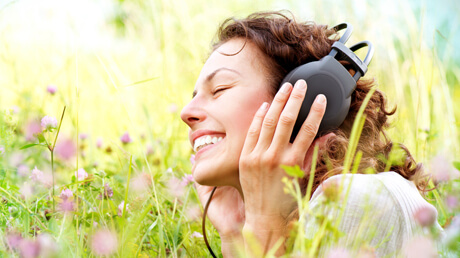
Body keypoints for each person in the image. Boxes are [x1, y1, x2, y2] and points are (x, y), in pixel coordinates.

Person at [180, 11, 441, 257]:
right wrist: (234, 234)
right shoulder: (305, 216)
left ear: (305, 103)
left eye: (220, 89)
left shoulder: (361, 199)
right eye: (194, 97)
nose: (186, 112)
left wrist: (262, 227)